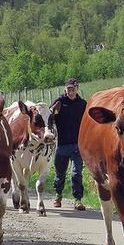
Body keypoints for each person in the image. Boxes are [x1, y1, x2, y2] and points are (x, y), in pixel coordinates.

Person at [51, 77, 87, 210]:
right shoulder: (59, 102)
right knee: (60, 174)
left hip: (77, 145)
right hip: (62, 145)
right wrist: (54, 111)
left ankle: (78, 200)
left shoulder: (83, 104)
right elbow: (50, 118)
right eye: (69, 89)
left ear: (77, 89)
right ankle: (58, 195)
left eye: (73, 89)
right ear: (65, 89)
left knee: (76, 173)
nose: (71, 91)